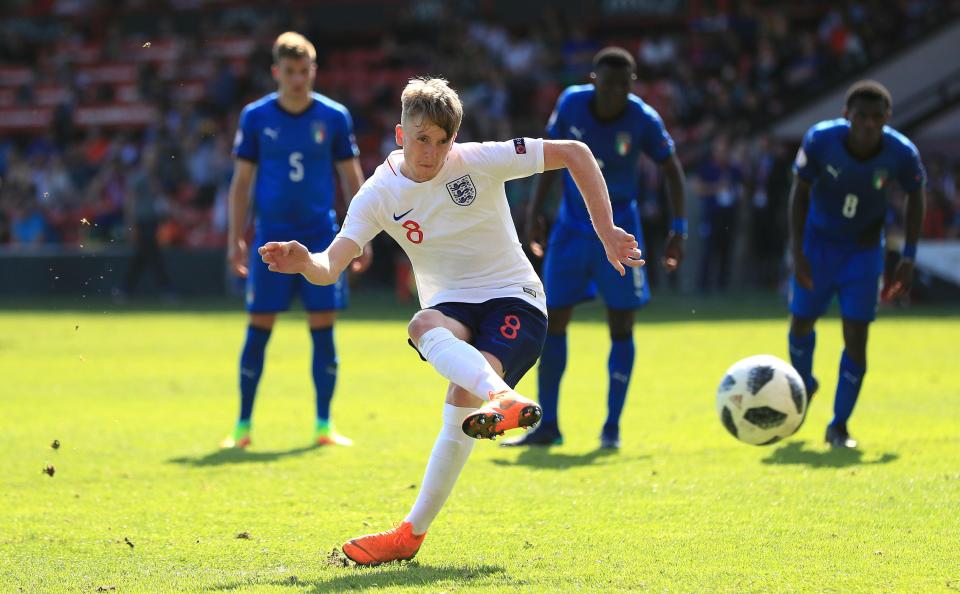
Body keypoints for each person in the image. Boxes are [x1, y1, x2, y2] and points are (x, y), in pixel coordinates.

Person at [259, 77, 643, 565]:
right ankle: (412, 532)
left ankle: (485, 417)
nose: (432, 153)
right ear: (401, 136)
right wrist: (303, 260)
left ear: (453, 140)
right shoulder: (378, 193)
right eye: (422, 139)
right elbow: (328, 267)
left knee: (465, 390)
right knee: (424, 329)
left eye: (442, 142)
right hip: (455, 309)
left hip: (516, 300)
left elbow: (574, 151)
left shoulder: (478, 160)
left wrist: (606, 230)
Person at [507, 47, 686, 449]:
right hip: (571, 230)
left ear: (632, 85)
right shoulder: (571, 104)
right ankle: (548, 425)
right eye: (608, 85)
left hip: (622, 233)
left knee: (621, 324)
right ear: (594, 81)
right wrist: (536, 211)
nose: (615, 93)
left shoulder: (643, 119)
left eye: (623, 86)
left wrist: (679, 228)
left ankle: (612, 428)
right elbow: (550, 158)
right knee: (553, 320)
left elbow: (671, 168)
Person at [221, 32, 369, 449]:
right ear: (276, 72)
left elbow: (351, 177)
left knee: (323, 329)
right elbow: (242, 182)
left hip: (321, 239)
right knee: (258, 328)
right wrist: (236, 237)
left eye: (305, 71)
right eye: (290, 72)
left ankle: (324, 425)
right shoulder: (255, 117)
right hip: (270, 238)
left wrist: (360, 236)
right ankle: (242, 427)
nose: (298, 79)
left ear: (314, 71)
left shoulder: (334, 117)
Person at [788, 80, 925, 449]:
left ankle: (839, 426)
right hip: (817, 248)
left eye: (876, 118)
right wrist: (797, 251)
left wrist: (908, 256)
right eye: (861, 116)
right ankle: (804, 383)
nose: (868, 124)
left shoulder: (901, 153)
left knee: (857, 338)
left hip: (863, 254)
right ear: (847, 115)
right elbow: (799, 194)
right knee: (800, 323)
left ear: (887, 119)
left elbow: (916, 195)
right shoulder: (820, 140)